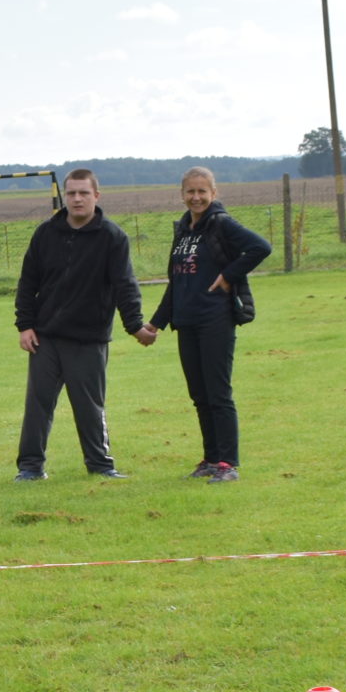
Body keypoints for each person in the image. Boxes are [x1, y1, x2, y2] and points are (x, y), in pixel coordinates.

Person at [13, 169, 147, 482]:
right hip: (45, 339)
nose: (76, 199)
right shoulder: (45, 234)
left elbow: (125, 285)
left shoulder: (112, 237)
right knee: (37, 407)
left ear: (96, 196)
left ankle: (100, 466)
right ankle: (30, 467)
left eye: (83, 193)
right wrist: (25, 325)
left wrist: (136, 326)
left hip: (88, 340)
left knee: (90, 408)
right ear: (65, 197)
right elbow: (27, 282)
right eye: (71, 193)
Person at [141, 167, 273, 483]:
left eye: (202, 191)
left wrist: (229, 274)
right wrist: (155, 324)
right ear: (182, 194)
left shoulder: (222, 223)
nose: (196, 197)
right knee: (199, 395)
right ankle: (211, 459)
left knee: (218, 393)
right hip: (186, 322)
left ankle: (228, 463)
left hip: (215, 319)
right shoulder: (184, 230)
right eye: (190, 192)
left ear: (213, 193)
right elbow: (176, 284)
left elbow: (260, 247)